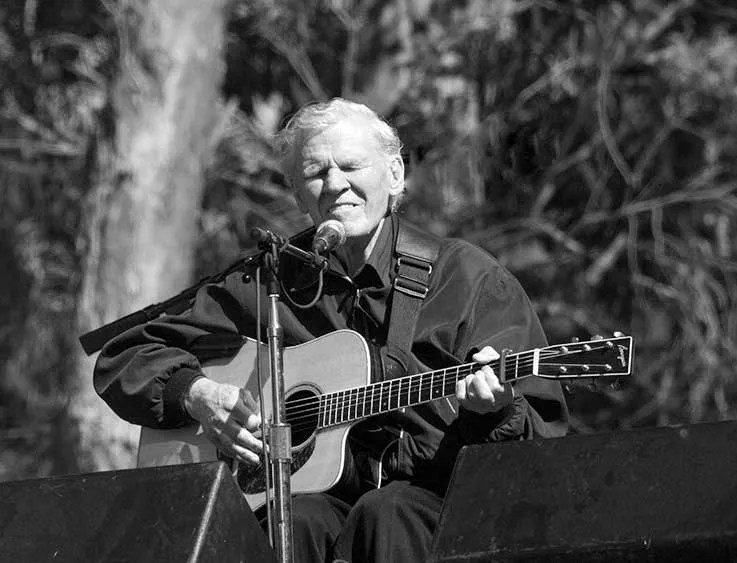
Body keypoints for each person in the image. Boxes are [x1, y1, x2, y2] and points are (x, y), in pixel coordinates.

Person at [94, 98, 568, 563]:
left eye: (351, 166)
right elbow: (126, 354)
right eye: (317, 172)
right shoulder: (273, 279)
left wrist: (495, 410)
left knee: (386, 513)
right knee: (297, 518)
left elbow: (542, 445)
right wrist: (195, 393)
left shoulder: (470, 280)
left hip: (435, 511)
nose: (335, 184)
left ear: (395, 176)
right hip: (319, 510)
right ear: (299, 194)